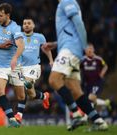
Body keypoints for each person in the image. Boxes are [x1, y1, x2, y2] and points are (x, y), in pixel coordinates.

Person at [45, 0, 108, 131]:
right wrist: (55, 44)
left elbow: (79, 23)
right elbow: (72, 31)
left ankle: (76, 114)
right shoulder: (64, 4)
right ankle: (98, 121)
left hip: (70, 50)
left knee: (54, 79)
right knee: (75, 90)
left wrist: (85, 46)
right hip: (70, 49)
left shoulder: (67, 1)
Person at [14, 18, 53, 122]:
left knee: (25, 83)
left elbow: (46, 49)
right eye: (24, 23)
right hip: (21, 67)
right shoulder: (18, 36)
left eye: (29, 23)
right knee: (32, 94)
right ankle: (44, 96)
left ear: (33, 25)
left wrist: (51, 60)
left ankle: (19, 114)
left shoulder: (39, 37)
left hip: (34, 67)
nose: (26, 25)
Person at [80, 43, 111, 109]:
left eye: (91, 49)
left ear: (94, 50)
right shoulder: (82, 60)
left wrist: (102, 73)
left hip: (97, 82)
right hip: (87, 83)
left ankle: (86, 115)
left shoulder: (98, 59)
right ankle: (105, 103)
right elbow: (78, 68)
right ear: (85, 51)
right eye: (88, 49)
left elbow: (105, 66)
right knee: (88, 100)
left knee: (90, 97)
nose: (90, 50)